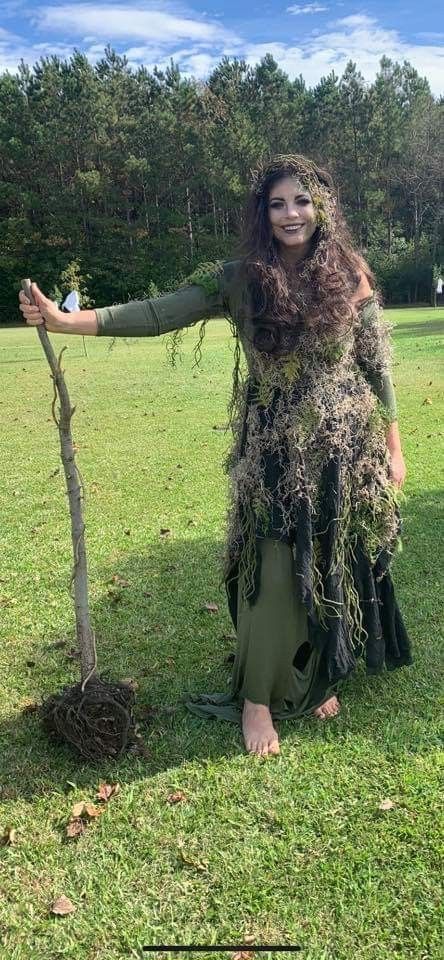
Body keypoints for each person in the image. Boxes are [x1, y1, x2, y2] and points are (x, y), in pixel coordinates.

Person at [18, 153, 412, 757]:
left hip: (342, 452)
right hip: (274, 456)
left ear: (323, 206)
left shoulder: (351, 275)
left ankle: (309, 680)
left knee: (328, 565)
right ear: (262, 213)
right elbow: (157, 314)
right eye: (277, 204)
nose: (291, 214)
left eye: (302, 201)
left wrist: (392, 446)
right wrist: (67, 321)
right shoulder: (241, 279)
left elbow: (376, 367)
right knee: (275, 571)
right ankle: (256, 701)